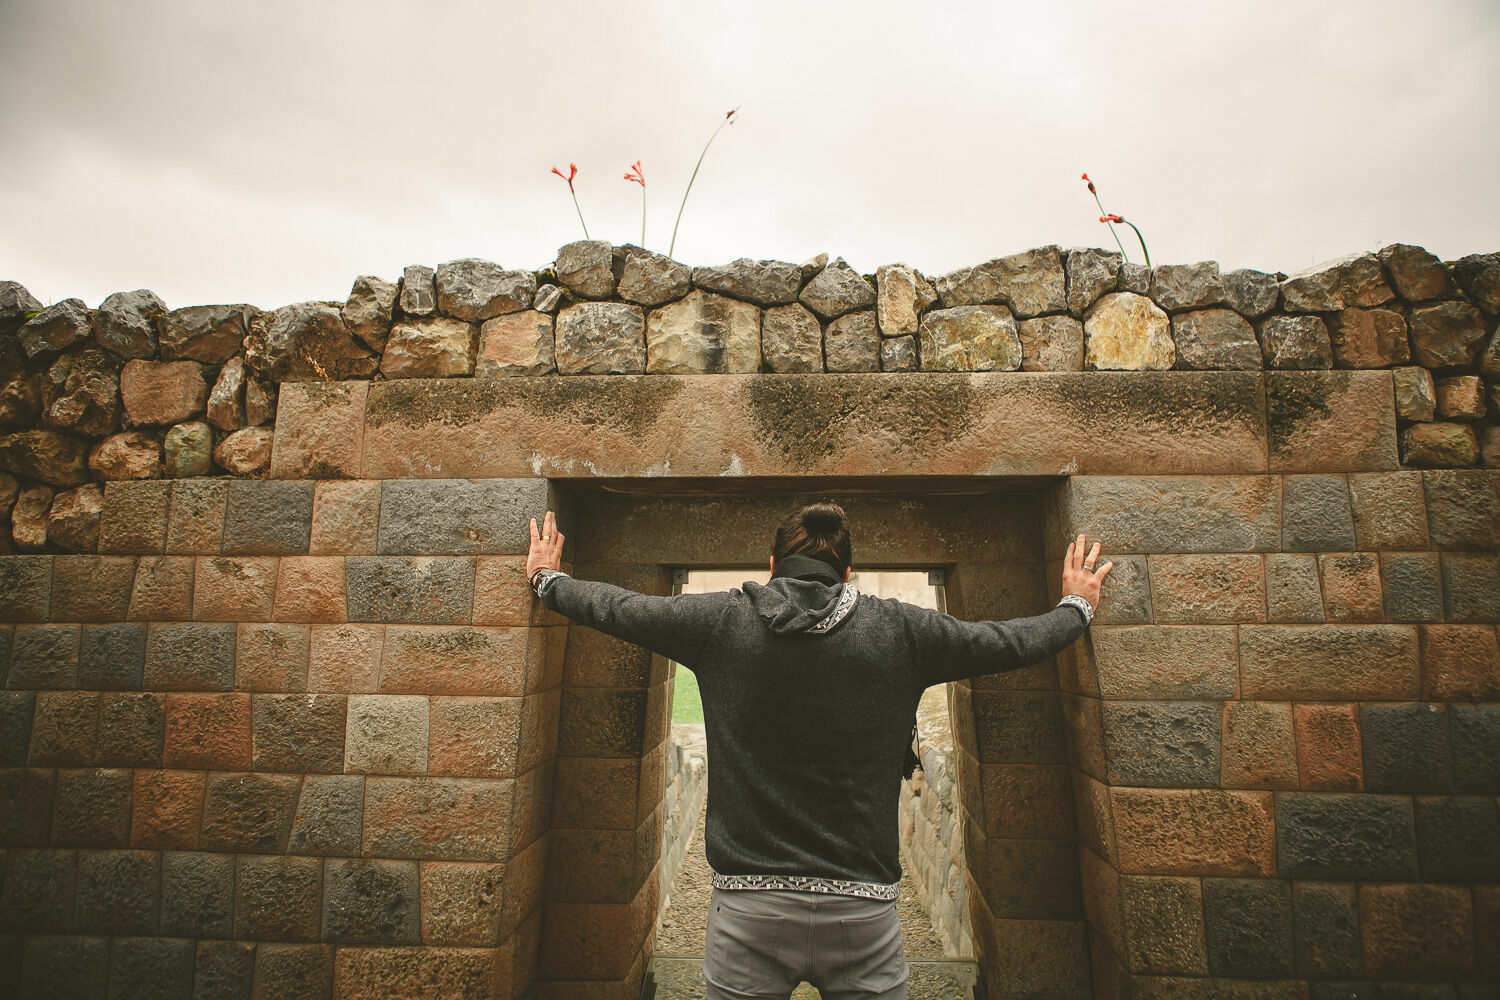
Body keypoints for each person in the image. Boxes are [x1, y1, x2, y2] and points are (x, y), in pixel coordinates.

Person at [526, 502, 1113, 1000]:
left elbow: (622, 610)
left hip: (748, 914)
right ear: (848, 572)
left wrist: (547, 581)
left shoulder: (720, 622)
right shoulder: (901, 631)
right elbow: (1004, 643)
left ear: (774, 565)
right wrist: (1076, 608)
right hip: (863, 918)